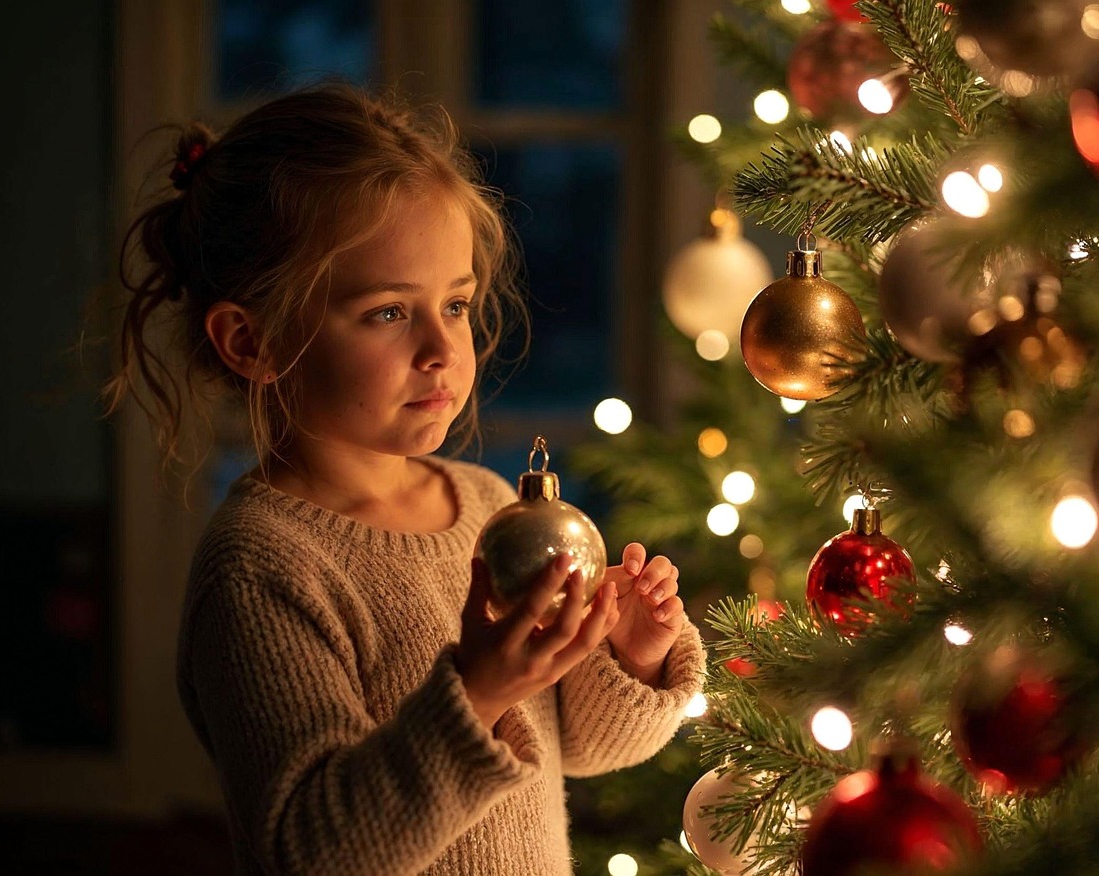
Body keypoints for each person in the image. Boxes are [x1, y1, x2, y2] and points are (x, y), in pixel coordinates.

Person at [107, 84, 704, 876]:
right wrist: (478, 694)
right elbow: (308, 851)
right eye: (389, 312)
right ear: (251, 341)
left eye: (455, 305)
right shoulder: (261, 569)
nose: (441, 349)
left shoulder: (490, 507)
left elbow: (575, 748)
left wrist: (631, 656)